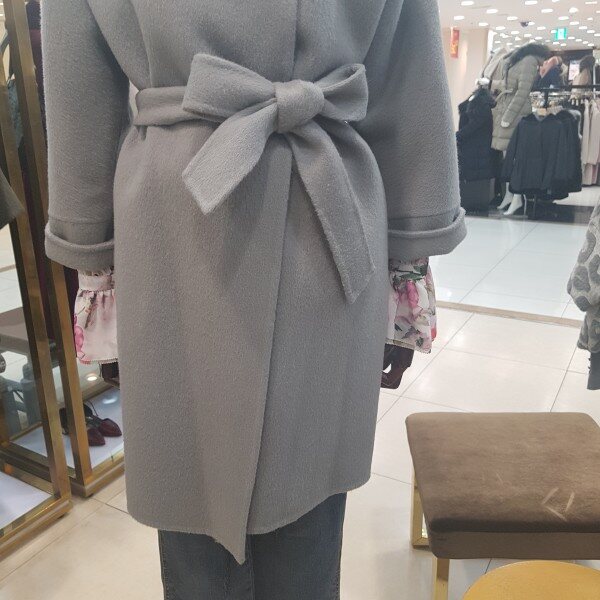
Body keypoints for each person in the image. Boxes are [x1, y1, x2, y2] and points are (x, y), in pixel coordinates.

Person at [42, 0, 466, 597]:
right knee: (197, 506)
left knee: (306, 503)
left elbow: (408, 73)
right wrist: (99, 277)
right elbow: (79, 79)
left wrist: (406, 274)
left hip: (313, 212)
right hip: (186, 222)